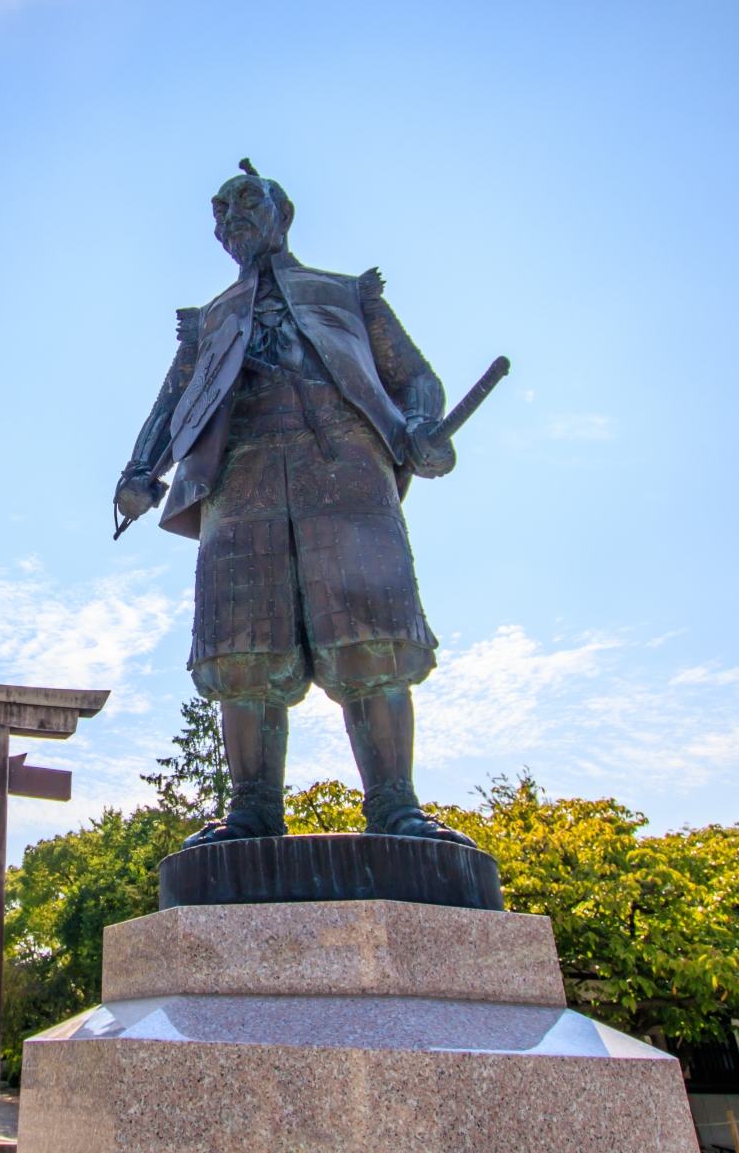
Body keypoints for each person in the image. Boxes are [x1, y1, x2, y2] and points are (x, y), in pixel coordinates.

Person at [114, 160, 472, 847]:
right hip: (238, 484)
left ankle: (396, 807)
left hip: (345, 477)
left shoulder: (348, 295)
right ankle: (252, 810)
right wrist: (139, 468)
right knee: (244, 651)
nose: (232, 218)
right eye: (220, 212)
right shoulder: (211, 321)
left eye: (246, 202)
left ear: (284, 211)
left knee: (372, 641)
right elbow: (171, 406)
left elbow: (416, 378)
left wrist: (425, 427)